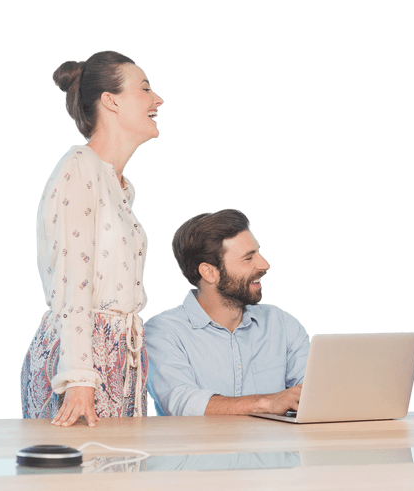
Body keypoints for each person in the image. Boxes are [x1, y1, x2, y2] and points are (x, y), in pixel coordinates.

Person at [20, 50, 164, 426]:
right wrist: (80, 378)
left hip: (118, 355)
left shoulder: (120, 187)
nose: (158, 99)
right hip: (81, 360)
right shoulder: (79, 167)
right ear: (111, 101)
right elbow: (74, 282)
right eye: (145, 88)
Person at [144, 209, 311, 416]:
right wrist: (266, 403)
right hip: (201, 440)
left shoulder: (282, 323)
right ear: (209, 272)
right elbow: (180, 402)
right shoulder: (164, 332)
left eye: (258, 253)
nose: (264, 265)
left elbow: (315, 392)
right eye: (248, 258)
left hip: (278, 439)